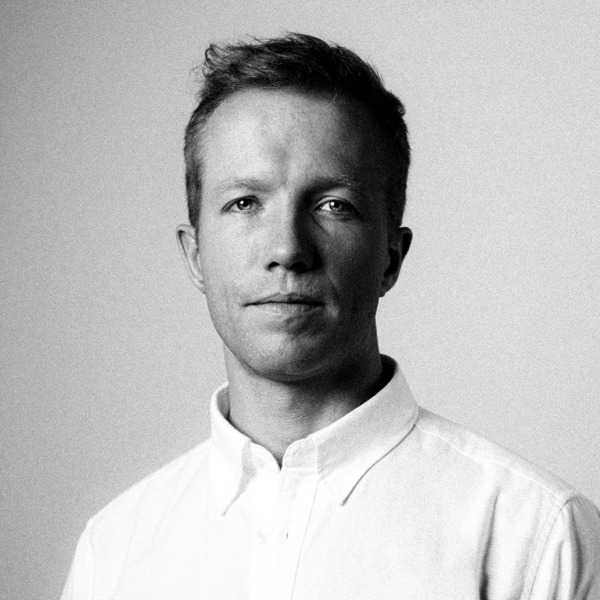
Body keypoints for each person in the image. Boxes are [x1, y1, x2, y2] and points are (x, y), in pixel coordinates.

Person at [61, 33, 600, 599]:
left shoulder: (539, 538)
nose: (287, 249)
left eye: (332, 206)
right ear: (195, 256)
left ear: (391, 257)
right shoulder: (112, 553)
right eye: (244, 203)